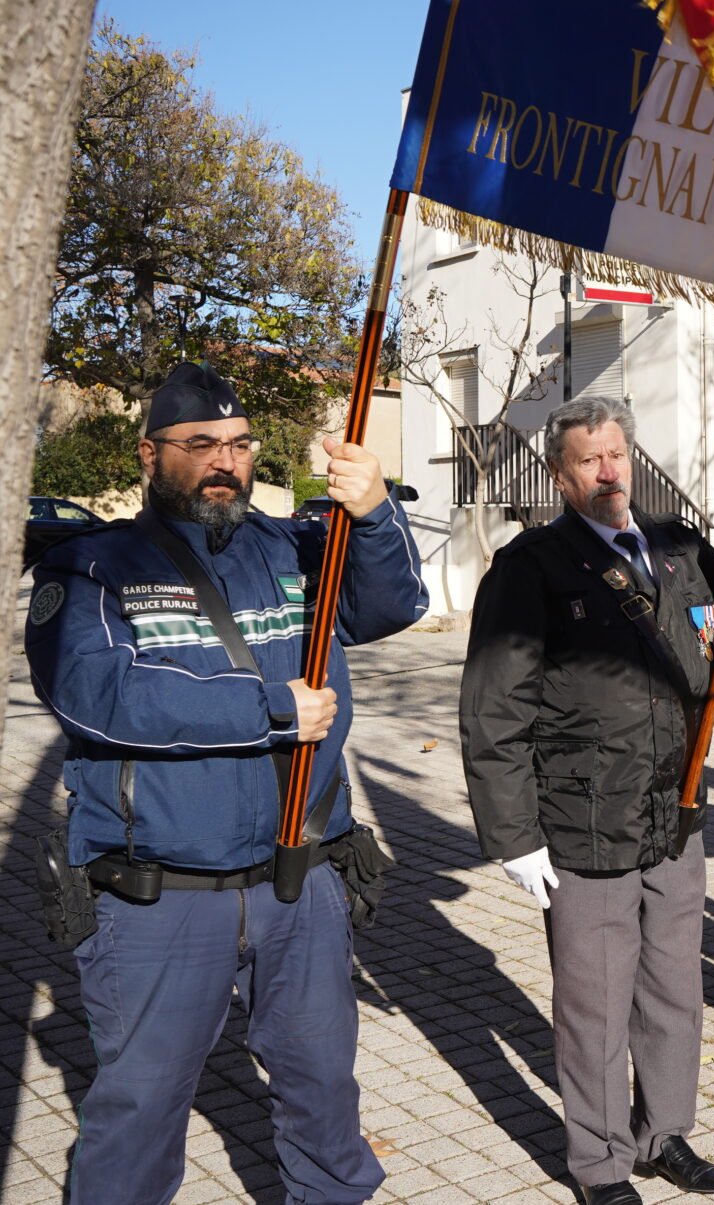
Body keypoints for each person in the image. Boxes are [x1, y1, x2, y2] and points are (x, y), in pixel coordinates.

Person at [24, 361, 428, 1205]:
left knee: (324, 1099)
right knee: (138, 1115)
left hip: (301, 882)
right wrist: (270, 707)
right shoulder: (94, 567)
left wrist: (374, 512)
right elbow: (99, 695)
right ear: (149, 453)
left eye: (240, 445)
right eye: (201, 443)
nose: (226, 461)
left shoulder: (286, 548)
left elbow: (390, 605)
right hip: (159, 898)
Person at [459, 396, 714, 1204]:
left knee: (674, 987)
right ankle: (603, 1163)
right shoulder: (531, 567)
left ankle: (664, 1133)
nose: (609, 472)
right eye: (590, 459)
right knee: (596, 1004)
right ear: (560, 475)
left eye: (618, 454)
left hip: (675, 813)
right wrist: (514, 835)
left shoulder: (677, 546)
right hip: (583, 823)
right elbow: (493, 709)